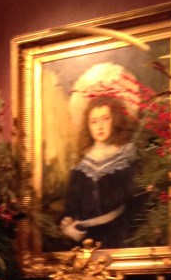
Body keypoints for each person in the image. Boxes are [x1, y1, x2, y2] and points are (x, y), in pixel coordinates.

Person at [59, 95, 141, 249]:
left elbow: (137, 201)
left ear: (115, 120)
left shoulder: (125, 156)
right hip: (84, 237)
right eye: (94, 121)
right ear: (88, 125)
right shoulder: (81, 162)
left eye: (105, 119)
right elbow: (71, 205)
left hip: (118, 234)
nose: (100, 126)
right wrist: (67, 226)